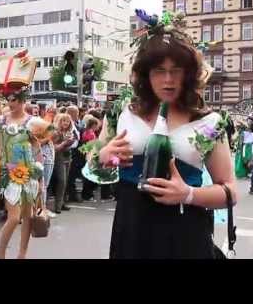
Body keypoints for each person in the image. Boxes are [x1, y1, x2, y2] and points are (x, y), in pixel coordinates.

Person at [98, 14, 237, 258]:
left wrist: (188, 194)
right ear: (145, 75)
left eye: (177, 71)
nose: (168, 79)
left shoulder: (210, 123)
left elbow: (230, 192)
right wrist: (104, 156)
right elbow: (96, 164)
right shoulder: (124, 112)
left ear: (189, 74)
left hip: (184, 230)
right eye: (159, 71)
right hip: (132, 228)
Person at [0, 86, 44, 259]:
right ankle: (1, 254)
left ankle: (22, 254)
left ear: (23, 101)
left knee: (28, 216)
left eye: (15, 100)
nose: (11, 104)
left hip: (29, 171)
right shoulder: (1, 121)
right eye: (9, 100)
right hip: (8, 172)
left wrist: (41, 180)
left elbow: (38, 149)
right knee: (13, 217)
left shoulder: (33, 121)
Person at [52, 113, 76, 213]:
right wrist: (65, 143)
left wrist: (71, 142)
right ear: (59, 122)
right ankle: (57, 206)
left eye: (67, 121)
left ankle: (61, 203)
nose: (66, 123)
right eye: (63, 120)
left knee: (65, 182)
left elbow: (71, 145)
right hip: (59, 158)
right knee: (61, 181)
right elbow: (54, 148)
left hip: (67, 156)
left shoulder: (69, 132)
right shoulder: (56, 132)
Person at [65, 105, 82, 203]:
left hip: (74, 152)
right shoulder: (68, 125)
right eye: (76, 113)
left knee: (72, 174)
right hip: (69, 151)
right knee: (69, 175)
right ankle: (69, 194)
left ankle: (71, 194)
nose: (77, 115)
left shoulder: (75, 124)